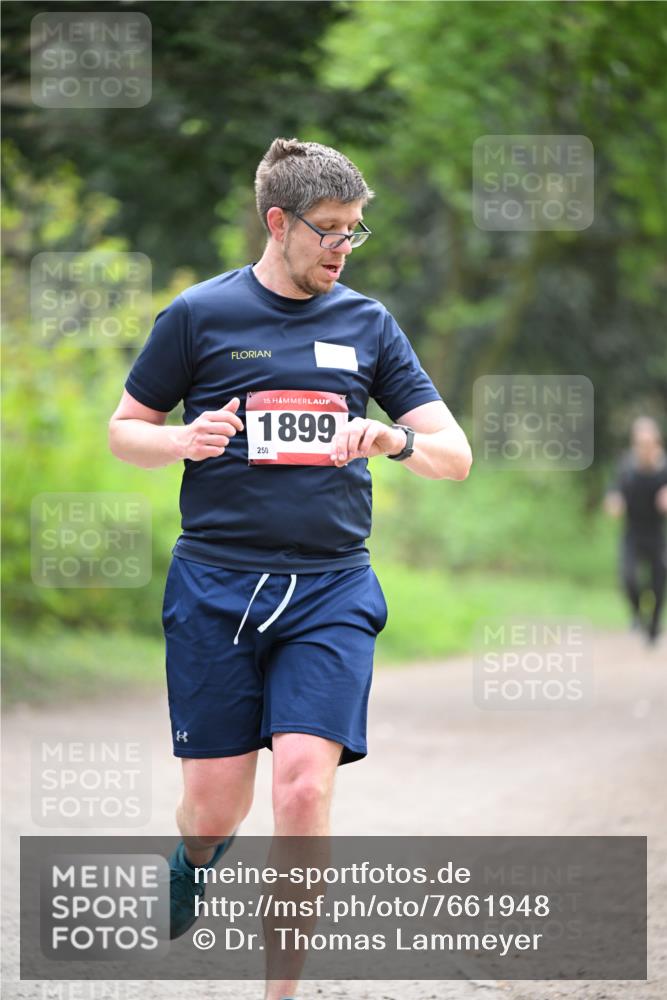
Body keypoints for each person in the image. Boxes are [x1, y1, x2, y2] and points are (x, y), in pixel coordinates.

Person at [108, 137, 472, 997]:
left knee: (304, 791)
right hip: (216, 585)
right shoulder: (198, 315)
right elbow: (126, 428)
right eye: (330, 230)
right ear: (279, 223)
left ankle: (281, 992)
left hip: (332, 586)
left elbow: (453, 456)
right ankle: (196, 858)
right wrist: (178, 439)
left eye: (355, 231)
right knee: (214, 812)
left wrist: (393, 437)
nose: (344, 247)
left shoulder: (368, 323)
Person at [604, 416, 667, 645]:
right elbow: (613, 491)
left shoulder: (664, 468)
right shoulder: (626, 467)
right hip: (632, 533)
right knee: (628, 577)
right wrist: (613, 501)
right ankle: (637, 615)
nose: (645, 448)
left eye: (649, 443)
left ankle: (653, 625)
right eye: (640, 443)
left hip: (657, 535)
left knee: (659, 582)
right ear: (635, 444)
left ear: (656, 443)